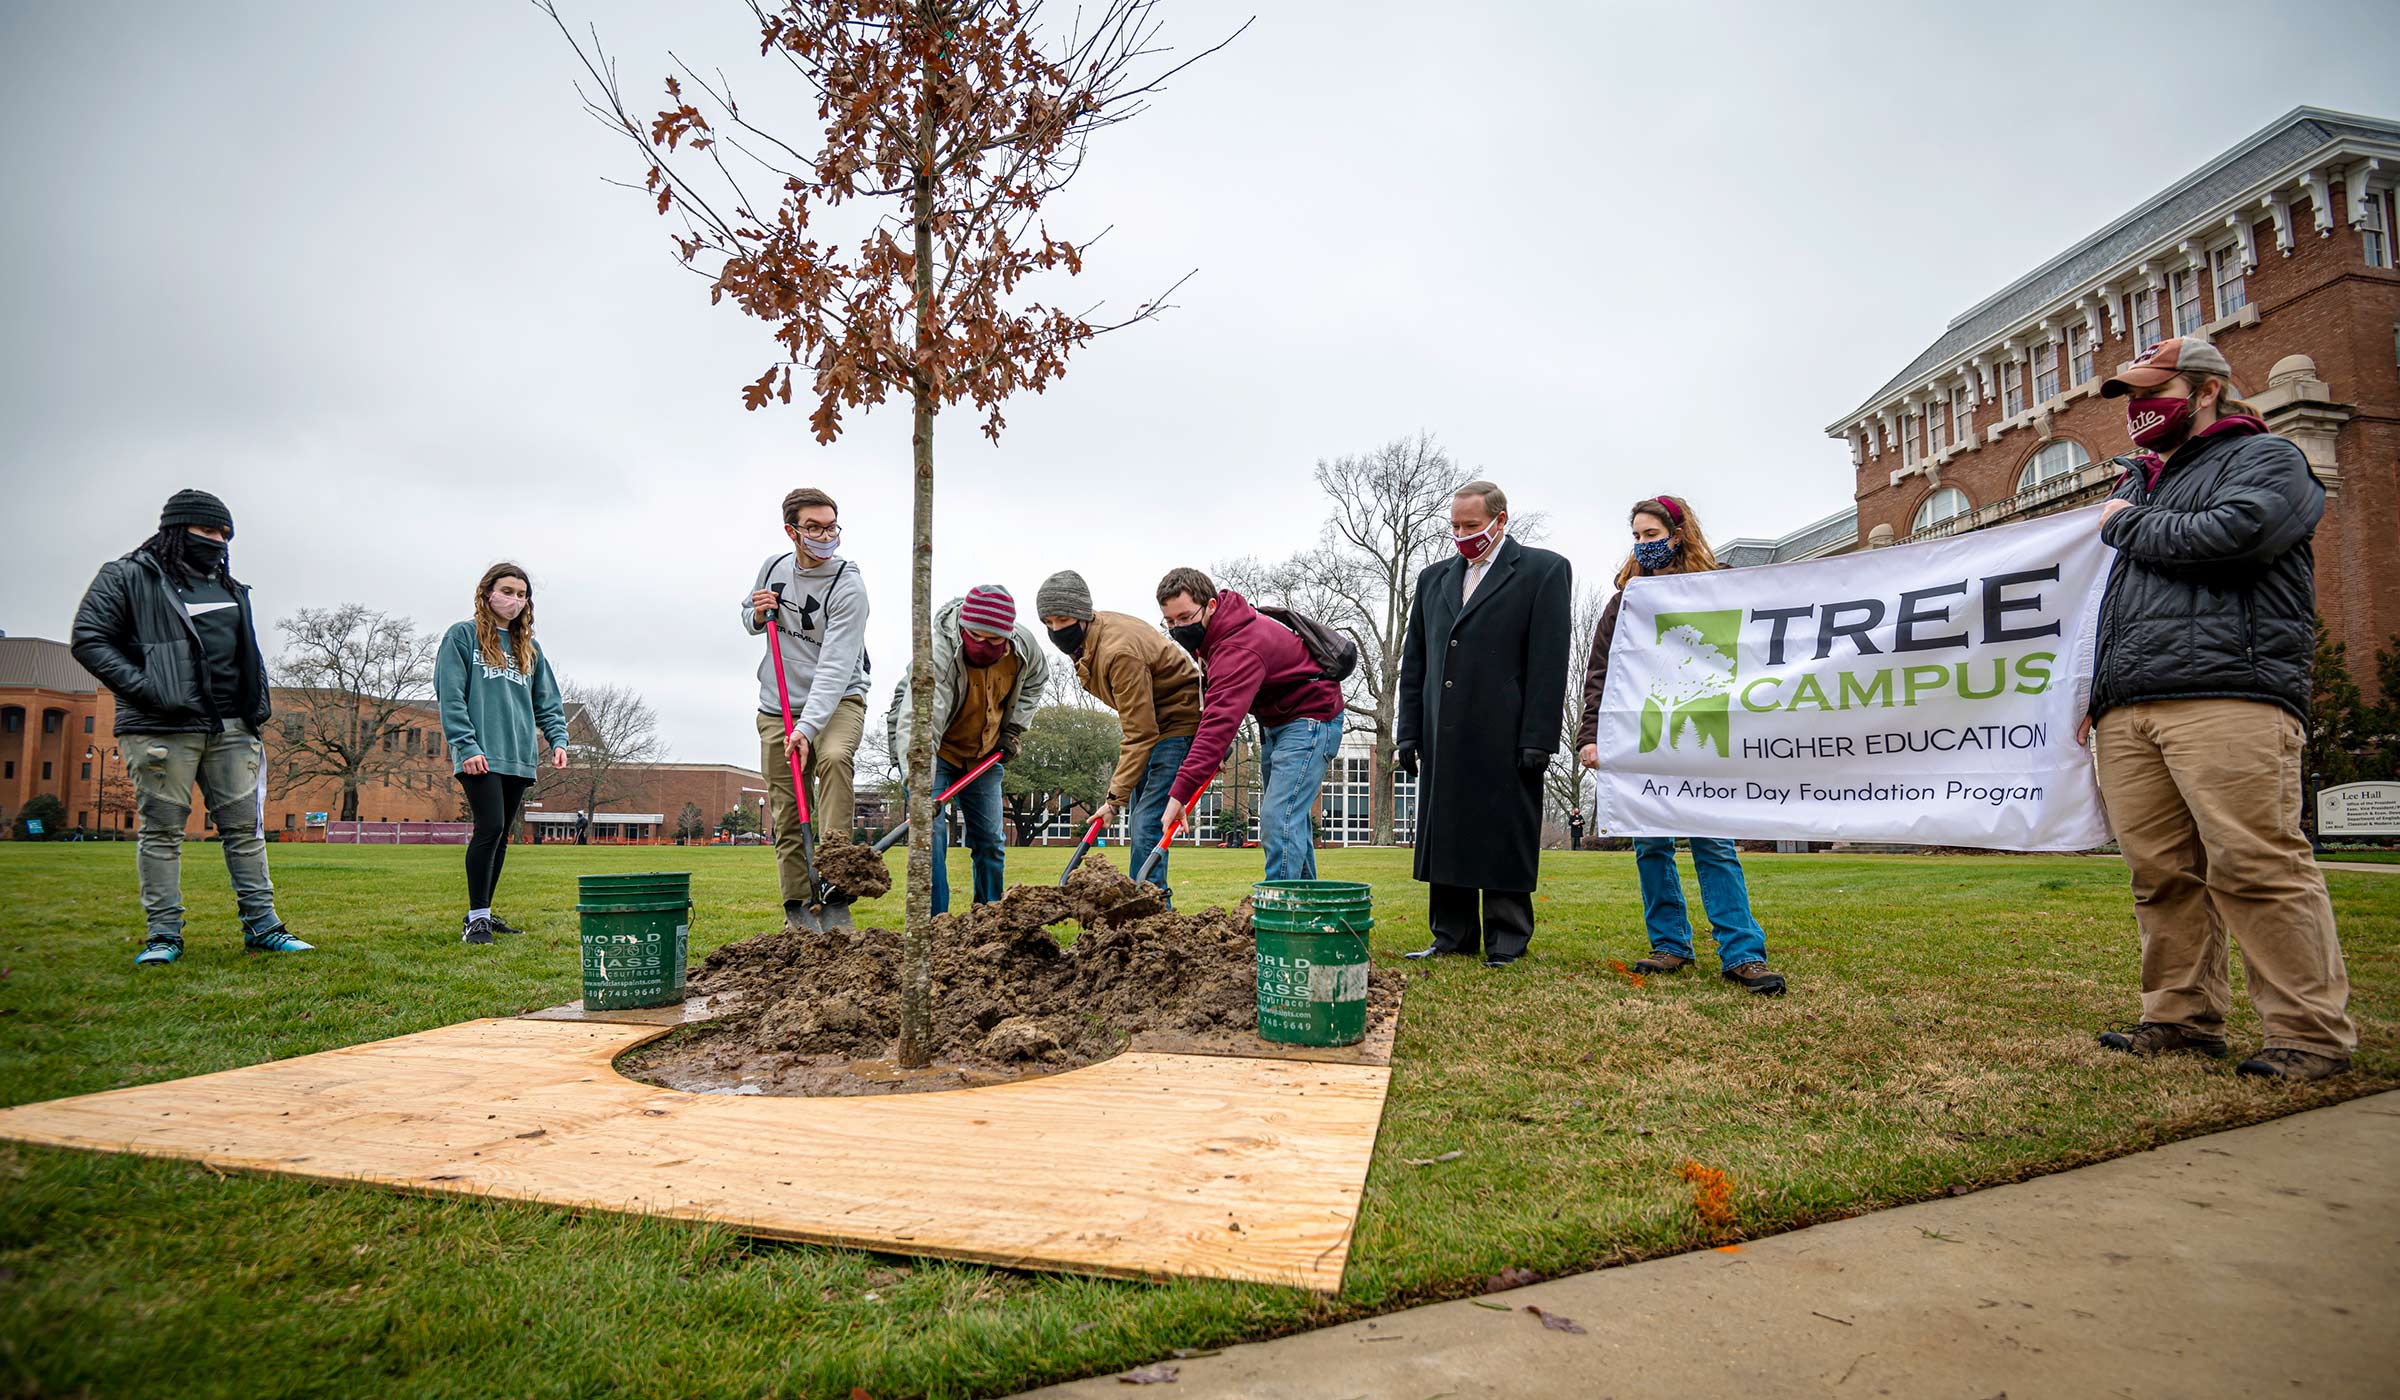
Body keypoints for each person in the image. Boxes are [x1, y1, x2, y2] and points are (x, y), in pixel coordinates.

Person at [2084, 336, 2355, 1080]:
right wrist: (2094, 691)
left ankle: (2308, 1033)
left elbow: (2244, 534)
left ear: (2205, 389)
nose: (2140, 409)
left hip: (2228, 690)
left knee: (2256, 863)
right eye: (2132, 398)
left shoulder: (2265, 459)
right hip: (2130, 702)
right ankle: (2180, 1017)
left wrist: (2124, 524)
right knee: (2161, 873)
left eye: (2153, 390)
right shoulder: (2139, 483)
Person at [68, 489, 312, 965]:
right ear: (177, 530)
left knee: (245, 831)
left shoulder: (229, 587)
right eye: (207, 530)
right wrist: (151, 689)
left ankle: (263, 927)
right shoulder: (128, 576)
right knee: (162, 832)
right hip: (162, 729)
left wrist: (254, 705)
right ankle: (164, 936)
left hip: (231, 728)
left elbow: (246, 653)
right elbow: (88, 639)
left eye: (225, 533)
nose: (217, 540)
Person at [1577, 495, 1785, 994]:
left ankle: (1742, 954)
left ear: (1678, 533)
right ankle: (1670, 945)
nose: (1644, 545)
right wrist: (1589, 735)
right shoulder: (1627, 598)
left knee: (1713, 843)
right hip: (1644, 731)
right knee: (1651, 844)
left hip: (1704, 729)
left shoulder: (1721, 585)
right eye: (1637, 537)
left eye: (1652, 535)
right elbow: (1601, 669)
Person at [1396, 481, 1573, 967]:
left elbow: (1549, 661)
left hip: (1506, 731)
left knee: (1503, 831)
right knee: (1447, 831)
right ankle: (1451, 934)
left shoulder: (1543, 571)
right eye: (1454, 525)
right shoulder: (1433, 579)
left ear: (1500, 520)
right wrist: (1408, 732)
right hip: (1442, 732)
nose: (1461, 535)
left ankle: (1506, 937)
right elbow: (1416, 662)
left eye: (1471, 525)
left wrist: (1539, 736)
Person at [1154, 568, 1345, 882]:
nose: (1178, 628)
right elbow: (1216, 703)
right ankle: (1307, 906)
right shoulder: (1214, 637)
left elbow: (1220, 721)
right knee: (1289, 821)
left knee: (1278, 817)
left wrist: (1180, 794)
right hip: (1278, 723)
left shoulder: (1237, 645)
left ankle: (1279, 911)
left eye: (1185, 617)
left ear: (1211, 606)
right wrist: (1217, 752)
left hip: (1311, 719)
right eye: (1170, 621)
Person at [743, 487, 872, 931]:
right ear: (792, 531)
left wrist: (810, 727)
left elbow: (836, 669)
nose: (825, 534)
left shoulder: (848, 587)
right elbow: (748, 615)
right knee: (785, 806)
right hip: (777, 705)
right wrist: (759, 615)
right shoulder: (774, 567)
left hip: (838, 702)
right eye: (814, 527)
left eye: (831, 525)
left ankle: (837, 888)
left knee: (834, 758)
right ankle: (798, 906)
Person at [1036, 569, 1203, 903]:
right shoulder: (1090, 641)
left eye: (1064, 619)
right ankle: (1142, 903)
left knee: (1147, 822)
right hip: (1156, 726)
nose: (1057, 629)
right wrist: (1116, 799)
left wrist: (1113, 801)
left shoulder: (1118, 652)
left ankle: (1152, 911)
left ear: (1083, 614)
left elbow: (1139, 733)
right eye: (1049, 622)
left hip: (1178, 725)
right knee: (1141, 822)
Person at [889, 585, 1048, 914]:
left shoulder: (1024, 647)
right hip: (936, 754)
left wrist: (1014, 728)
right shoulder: (938, 655)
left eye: (993, 641)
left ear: (1007, 637)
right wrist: (919, 786)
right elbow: (920, 724)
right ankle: (935, 926)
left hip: (984, 756)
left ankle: (989, 918)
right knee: (930, 838)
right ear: (963, 628)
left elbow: (1037, 680)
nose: (983, 646)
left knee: (990, 840)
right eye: (975, 636)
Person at [435, 562, 570, 945]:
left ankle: (484, 913)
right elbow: (451, 695)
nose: (513, 600)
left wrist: (558, 740)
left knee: (502, 836)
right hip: (479, 753)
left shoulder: (529, 649)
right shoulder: (462, 637)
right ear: (487, 592)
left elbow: (548, 703)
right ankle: (475, 920)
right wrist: (466, 744)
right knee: (489, 826)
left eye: (521, 594)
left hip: (518, 755)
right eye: (507, 591)